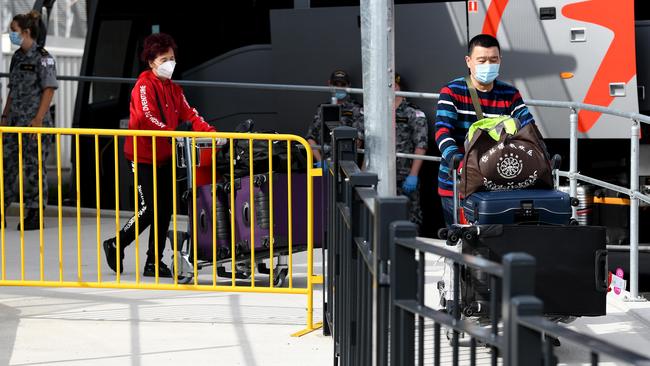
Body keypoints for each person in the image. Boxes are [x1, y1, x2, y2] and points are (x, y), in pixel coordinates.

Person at [103, 33, 216, 278]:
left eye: (172, 58)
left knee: (164, 210)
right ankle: (116, 243)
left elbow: (191, 115)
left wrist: (212, 134)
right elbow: (146, 117)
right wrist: (173, 133)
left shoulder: (174, 89)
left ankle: (154, 262)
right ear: (152, 62)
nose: (170, 63)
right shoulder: (144, 86)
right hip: (142, 156)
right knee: (150, 208)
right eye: (165, 59)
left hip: (165, 157)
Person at [435, 34, 536, 228]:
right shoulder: (452, 91)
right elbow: (442, 133)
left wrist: (541, 155)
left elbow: (528, 127)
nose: (487, 65)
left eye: (493, 60)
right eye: (481, 60)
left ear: (500, 61)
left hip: (499, 184)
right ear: (469, 61)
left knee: (498, 242)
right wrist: (459, 162)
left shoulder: (510, 94)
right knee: (463, 245)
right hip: (459, 185)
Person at [1, 11, 58, 231]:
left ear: (26, 32)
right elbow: (13, 89)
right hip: (14, 122)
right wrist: (5, 116)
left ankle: (34, 214)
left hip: (35, 124)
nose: (10, 34)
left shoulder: (44, 58)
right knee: (6, 167)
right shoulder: (16, 57)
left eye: (13, 31)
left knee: (34, 168)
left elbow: (49, 90)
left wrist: (38, 119)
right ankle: (1, 209)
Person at [306, 70, 364, 165]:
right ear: (329, 84)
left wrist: (342, 164)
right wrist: (320, 161)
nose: (339, 87)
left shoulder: (357, 109)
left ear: (349, 85)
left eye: (343, 84)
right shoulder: (322, 108)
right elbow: (310, 138)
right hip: (324, 163)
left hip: (346, 165)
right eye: (336, 84)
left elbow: (358, 141)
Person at [394, 74, 428, 226]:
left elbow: (421, 145)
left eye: (394, 85)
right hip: (381, 175)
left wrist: (413, 175)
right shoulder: (379, 112)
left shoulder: (413, 113)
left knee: (410, 218)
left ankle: (414, 249)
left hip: (404, 176)